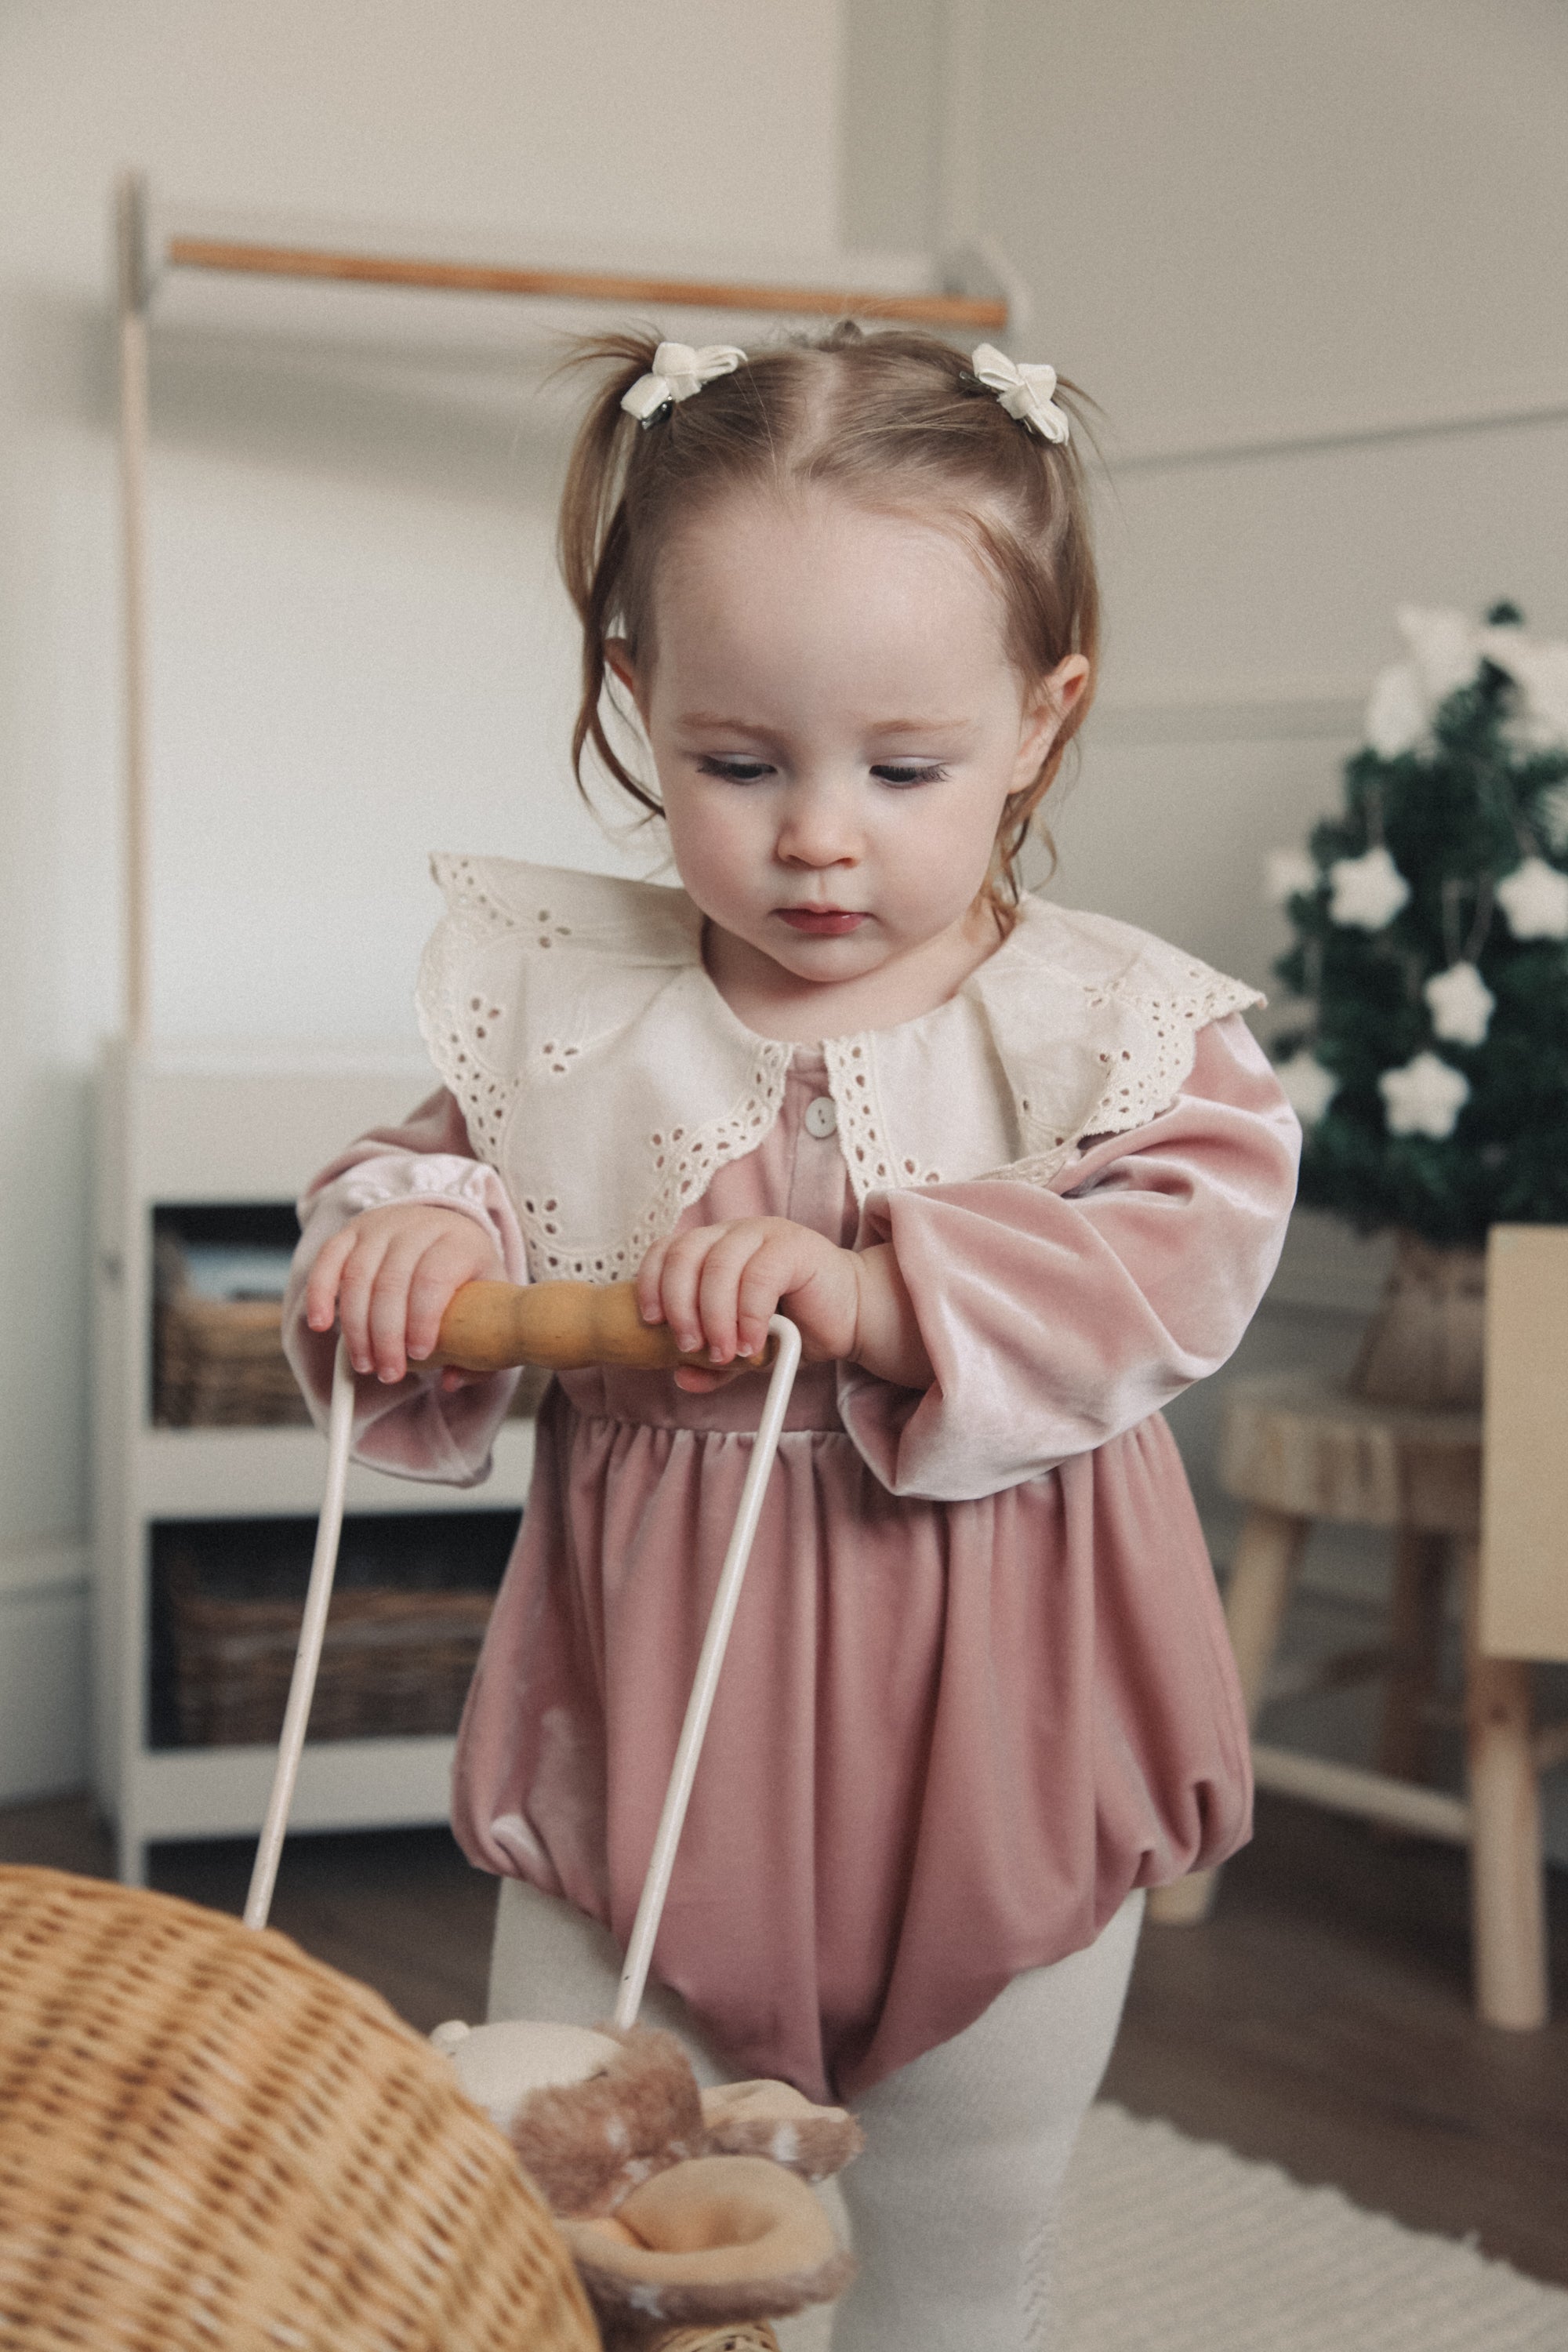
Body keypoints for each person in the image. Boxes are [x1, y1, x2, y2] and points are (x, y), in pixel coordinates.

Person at [285, 325, 1300, 2349]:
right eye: (739, 766)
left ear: (1043, 718)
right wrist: (413, 1238)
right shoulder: (575, 1013)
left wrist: (889, 1290)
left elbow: (1187, 1251)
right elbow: (427, 1184)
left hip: (1006, 1735)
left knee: (958, 2239)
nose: (819, 835)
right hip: (640, 1730)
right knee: (596, 2215)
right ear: (636, 706)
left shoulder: (1105, 1030)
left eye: (903, 771)